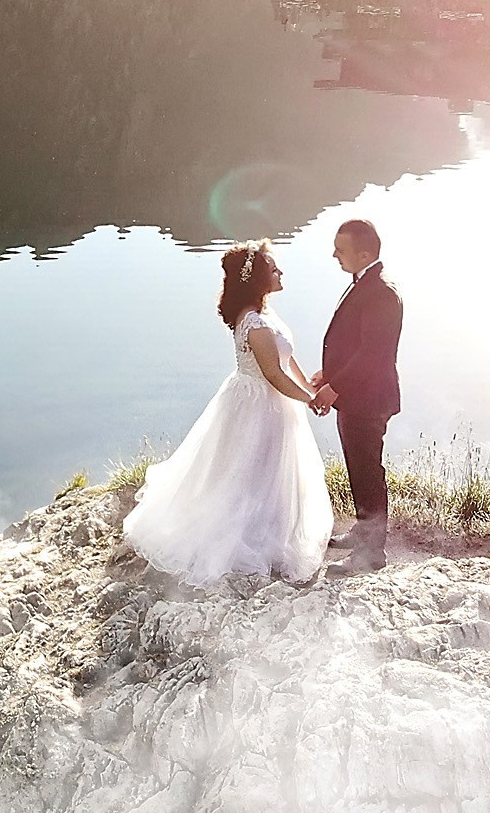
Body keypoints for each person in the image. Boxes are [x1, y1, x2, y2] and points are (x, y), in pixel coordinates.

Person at [120, 241, 334, 585]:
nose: (281, 273)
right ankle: (245, 537)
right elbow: (273, 375)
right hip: (258, 405)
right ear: (260, 279)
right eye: (274, 269)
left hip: (268, 401)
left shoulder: (265, 314)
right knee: (249, 471)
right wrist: (310, 400)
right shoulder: (253, 323)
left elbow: (287, 360)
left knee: (270, 471)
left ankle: (272, 526)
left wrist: (308, 383)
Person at [314, 219, 403, 574]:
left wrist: (335, 388)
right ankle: (363, 531)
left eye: (341, 249)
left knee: (367, 472)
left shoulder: (381, 293)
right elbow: (355, 344)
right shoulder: (364, 284)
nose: (334, 254)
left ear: (364, 253)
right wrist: (329, 375)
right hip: (356, 395)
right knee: (357, 467)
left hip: (367, 399)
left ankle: (371, 554)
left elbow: (372, 354)